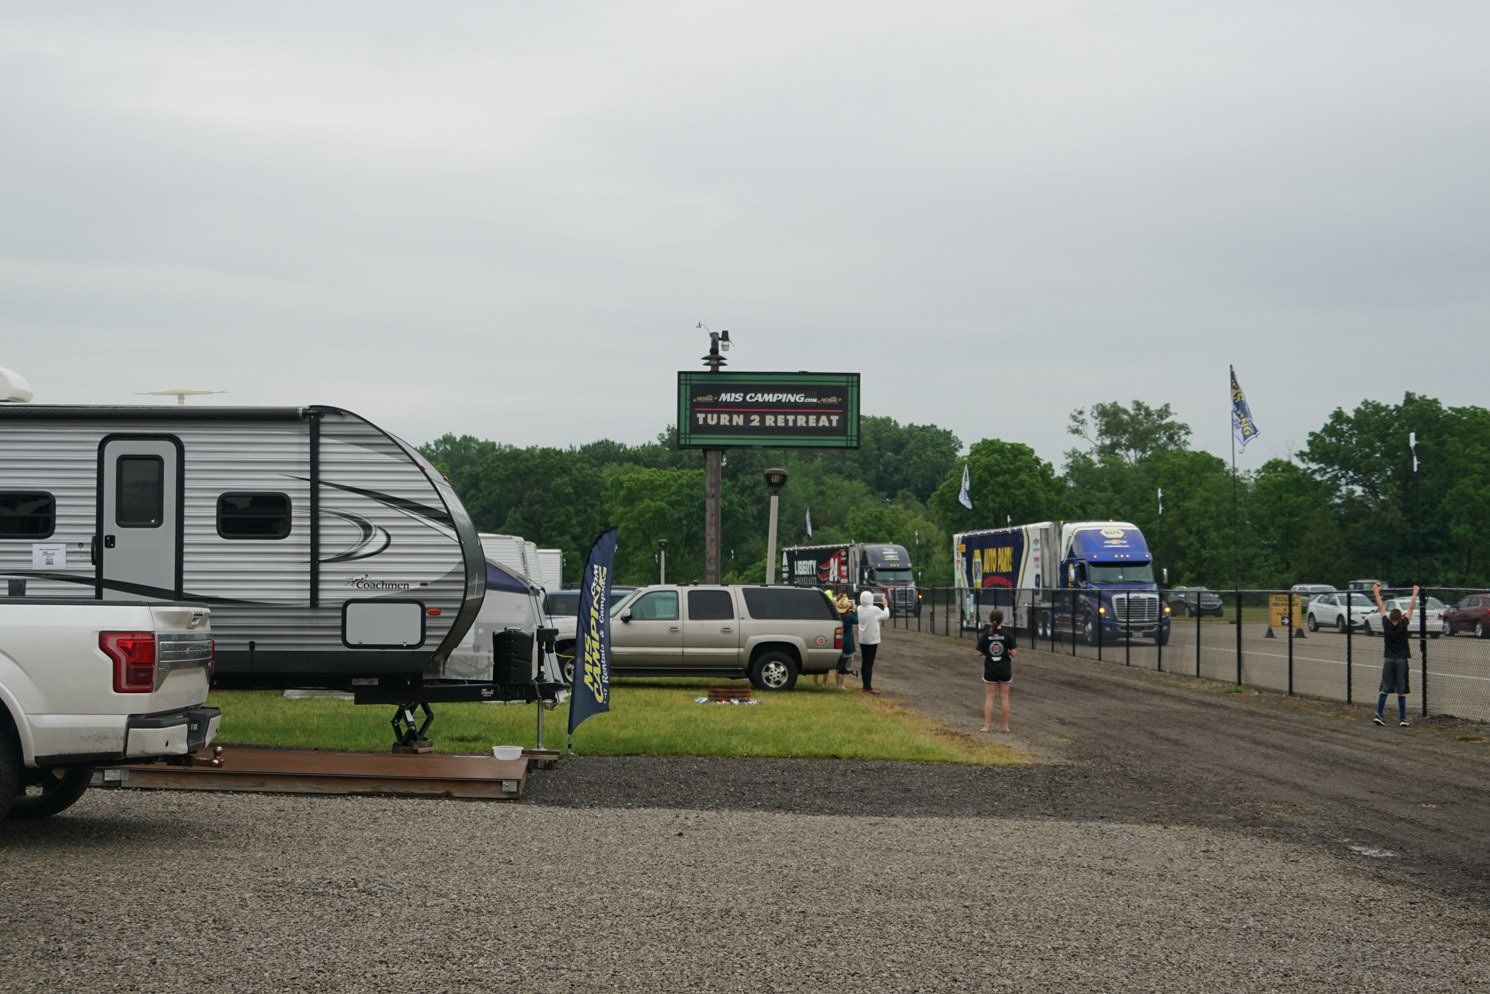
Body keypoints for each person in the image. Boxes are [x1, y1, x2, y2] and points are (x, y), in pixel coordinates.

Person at [1371, 582, 1418, 727]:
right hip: (1401, 661)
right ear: (1401, 617)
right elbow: (1410, 608)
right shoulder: (1404, 624)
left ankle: (1379, 715)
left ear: (1390, 617)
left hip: (1389, 660)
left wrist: (1376, 592)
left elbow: (1380, 606)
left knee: (1384, 688)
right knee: (1401, 690)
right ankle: (1403, 719)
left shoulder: (1386, 624)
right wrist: (1415, 592)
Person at [976, 610, 1016, 733]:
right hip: (1004, 668)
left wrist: (988, 651)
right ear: (1002, 620)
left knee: (990, 697)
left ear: (990, 620)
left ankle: (987, 727)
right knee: (1004, 697)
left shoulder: (985, 635)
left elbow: (978, 653)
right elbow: (1014, 653)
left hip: (990, 668)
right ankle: (1005, 727)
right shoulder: (1008, 635)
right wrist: (1007, 651)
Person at [856, 590, 890, 695]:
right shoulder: (875, 610)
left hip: (863, 639)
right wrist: (886, 605)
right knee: (869, 664)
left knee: (864, 663)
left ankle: (864, 685)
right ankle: (868, 687)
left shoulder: (859, 609)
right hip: (872, 640)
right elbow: (886, 615)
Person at [834, 593, 858, 690]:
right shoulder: (849, 616)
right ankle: (841, 685)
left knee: (838, 665)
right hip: (847, 642)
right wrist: (855, 611)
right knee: (844, 665)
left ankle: (837, 684)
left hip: (838, 640)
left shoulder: (837, 616)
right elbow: (857, 621)